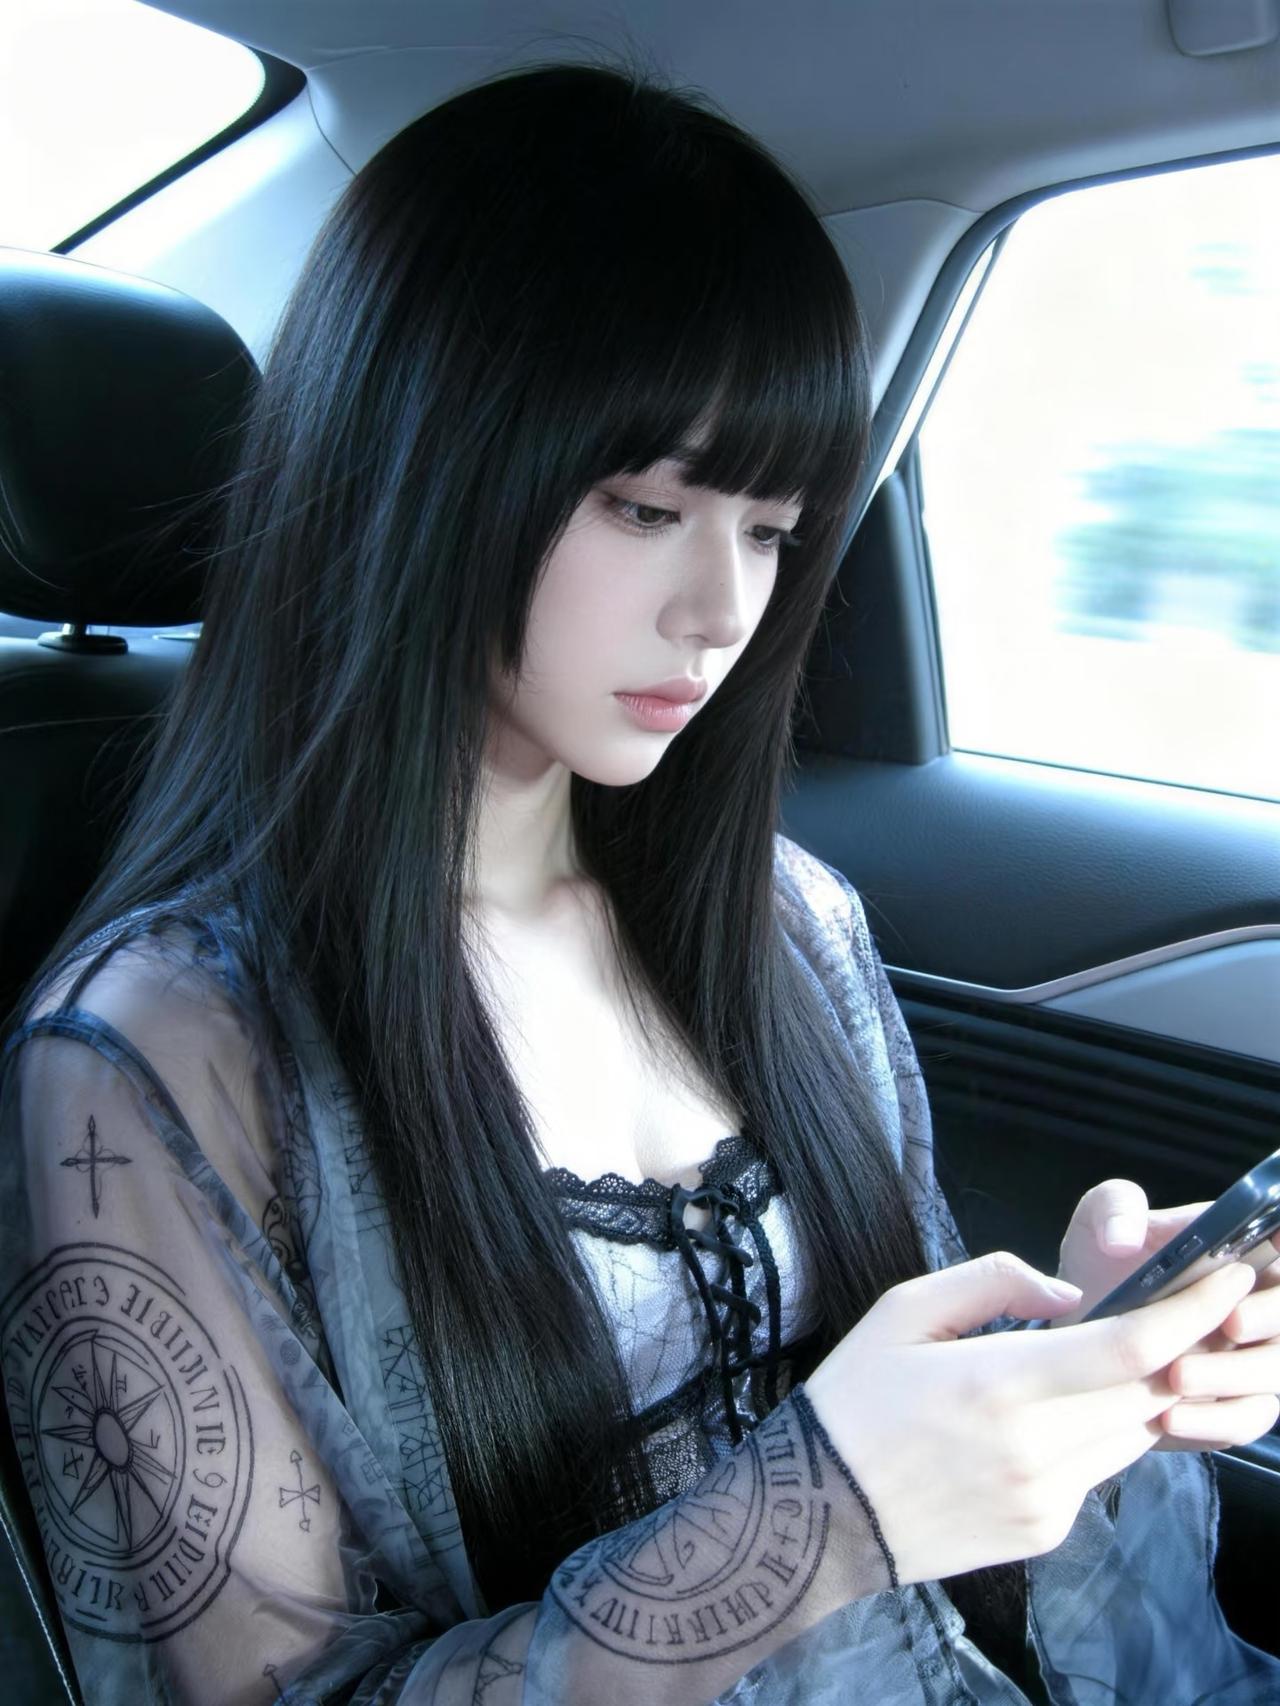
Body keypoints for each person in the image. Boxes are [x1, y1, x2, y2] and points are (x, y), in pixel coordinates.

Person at [2, 49, 1278, 1706]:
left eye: (769, 527)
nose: (720, 610)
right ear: (419, 465)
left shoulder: (792, 923)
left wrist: (1089, 1363)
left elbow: (926, 1479)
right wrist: (818, 1517)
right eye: (643, 504)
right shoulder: (159, 1058)